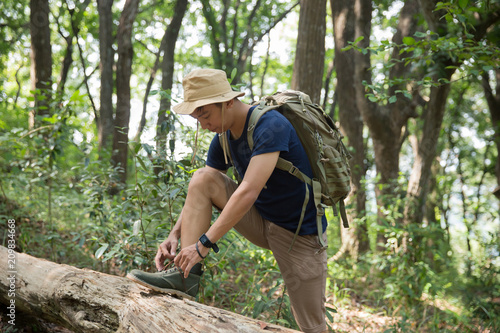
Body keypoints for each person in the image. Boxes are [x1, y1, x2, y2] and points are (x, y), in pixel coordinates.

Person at [127, 68, 329, 333]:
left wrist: (203, 244)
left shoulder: (271, 126)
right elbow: (201, 189)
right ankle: (184, 278)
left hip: (299, 236)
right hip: (262, 221)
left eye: (205, 114)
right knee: (202, 178)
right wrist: (174, 234)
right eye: (197, 117)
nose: (203, 124)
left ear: (228, 102)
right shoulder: (223, 139)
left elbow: (248, 191)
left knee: (312, 326)